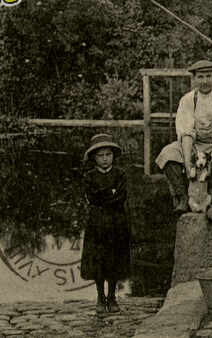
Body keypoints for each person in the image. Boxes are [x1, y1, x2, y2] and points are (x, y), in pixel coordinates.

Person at [156, 59, 212, 221]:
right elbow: (187, 133)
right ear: (194, 79)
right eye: (200, 77)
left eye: (208, 76)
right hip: (194, 145)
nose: (205, 81)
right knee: (168, 153)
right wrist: (187, 160)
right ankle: (182, 198)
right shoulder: (187, 100)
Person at [79, 133, 130, 315]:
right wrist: (109, 193)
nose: (105, 159)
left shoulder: (120, 174)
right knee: (98, 260)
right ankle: (100, 296)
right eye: (101, 155)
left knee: (114, 259)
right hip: (97, 224)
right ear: (94, 158)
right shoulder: (89, 176)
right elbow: (92, 198)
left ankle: (112, 296)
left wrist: (105, 195)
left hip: (117, 223)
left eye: (108, 155)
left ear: (113, 156)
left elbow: (120, 197)